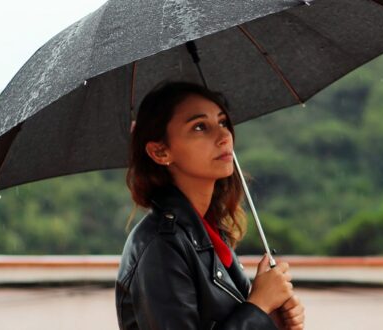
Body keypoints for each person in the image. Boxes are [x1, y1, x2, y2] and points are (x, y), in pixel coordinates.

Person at [116, 81, 305, 330]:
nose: (223, 136)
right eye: (199, 127)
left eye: (223, 122)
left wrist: (270, 320)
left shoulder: (208, 234)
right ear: (160, 152)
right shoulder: (161, 246)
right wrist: (258, 306)